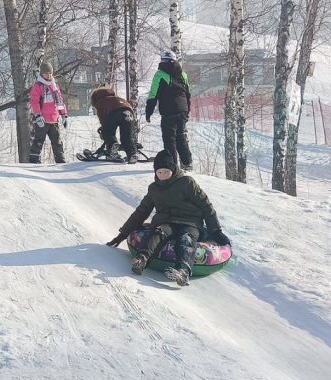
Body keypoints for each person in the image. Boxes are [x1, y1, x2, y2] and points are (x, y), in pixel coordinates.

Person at [106, 150, 231, 286]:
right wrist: (124, 233)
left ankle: (183, 270)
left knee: (186, 238)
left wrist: (215, 230)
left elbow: (205, 205)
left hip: (190, 222)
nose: (163, 175)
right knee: (158, 232)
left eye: (166, 171)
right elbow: (142, 211)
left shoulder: (187, 183)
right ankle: (142, 259)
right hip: (167, 222)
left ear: (173, 169)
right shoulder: (154, 189)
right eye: (159, 172)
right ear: (155, 173)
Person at [145, 50, 193, 171]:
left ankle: (173, 165)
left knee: (169, 138)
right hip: (182, 109)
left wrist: (149, 111)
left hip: (168, 110)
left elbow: (153, 94)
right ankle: (187, 163)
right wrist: (187, 111)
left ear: (162, 60)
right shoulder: (183, 74)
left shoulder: (159, 74)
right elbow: (188, 94)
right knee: (181, 136)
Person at [29, 62, 68, 163]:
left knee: (57, 142)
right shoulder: (38, 86)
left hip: (54, 119)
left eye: (50, 73)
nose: (49, 75)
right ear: (41, 74)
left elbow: (59, 101)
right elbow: (34, 102)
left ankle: (60, 161)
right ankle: (33, 161)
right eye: (46, 73)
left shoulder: (54, 85)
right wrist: (37, 115)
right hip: (42, 119)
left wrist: (64, 114)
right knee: (38, 141)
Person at [90, 88, 139, 164]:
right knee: (126, 137)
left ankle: (113, 150)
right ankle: (132, 154)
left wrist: (103, 128)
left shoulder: (100, 101)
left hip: (114, 113)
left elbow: (102, 117)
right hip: (128, 113)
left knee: (108, 133)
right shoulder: (118, 98)